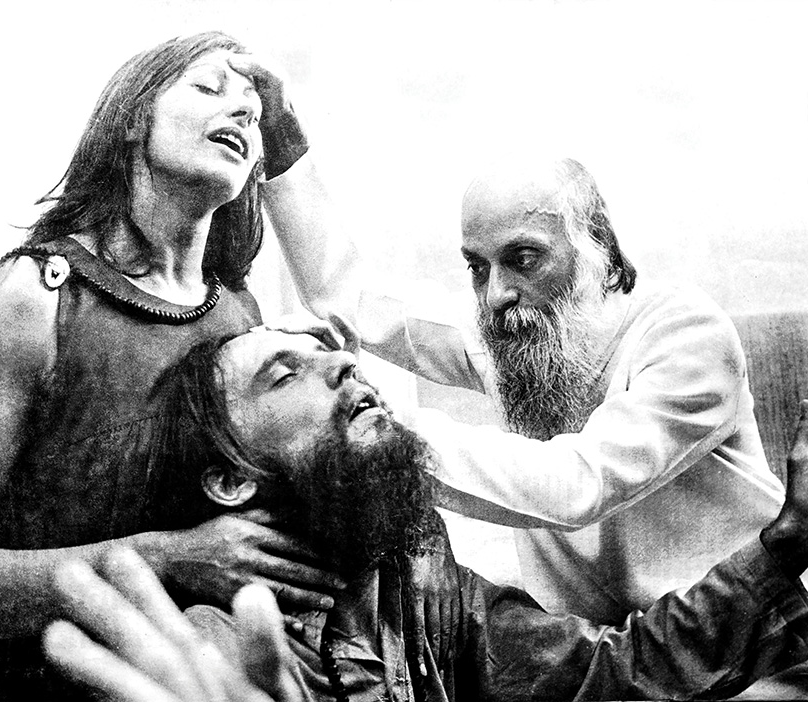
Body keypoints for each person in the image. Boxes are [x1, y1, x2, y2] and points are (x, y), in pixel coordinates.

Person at [0, 32, 343, 701]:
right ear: (134, 118)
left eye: (254, 114)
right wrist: (171, 557)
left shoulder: (239, 316)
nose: (240, 112)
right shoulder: (34, 298)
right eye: (209, 88)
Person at [45, 326, 808, 701]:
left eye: (324, 348)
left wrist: (785, 543)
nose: (341, 361)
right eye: (285, 374)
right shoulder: (207, 651)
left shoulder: (414, 583)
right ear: (229, 482)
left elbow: (607, 678)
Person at [270, 155, 786, 624]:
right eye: (478, 267)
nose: (496, 294)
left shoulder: (688, 335)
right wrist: (283, 147)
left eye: (523, 259)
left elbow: (579, 487)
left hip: (746, 644)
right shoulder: (515, 336)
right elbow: (353, 299)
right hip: (610, 660)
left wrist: (376, 431)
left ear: (597, 247)